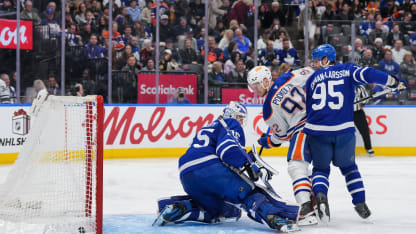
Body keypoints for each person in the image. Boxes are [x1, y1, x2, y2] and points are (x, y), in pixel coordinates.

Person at [153, 102, 299, 232]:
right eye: (240, 117)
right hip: (209, 168)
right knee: (249, 192)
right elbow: (227, 151)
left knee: (215, 211)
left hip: (186, 175)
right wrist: (248, 164)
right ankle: (274, 218)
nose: (241, 122)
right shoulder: (229, 123)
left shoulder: (209, 127)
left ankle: (178, 207)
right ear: (232, 115)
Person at [304, 44, 407, 223]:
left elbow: (311, 108)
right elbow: (369, 74)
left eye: (317, 60)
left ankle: (320, 197)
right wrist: (393, 82)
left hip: (318, 131)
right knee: (350, 169)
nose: (315, 64)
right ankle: (360, 203)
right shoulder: (347, 70)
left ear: (326, 59)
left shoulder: (311, 79)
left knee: (320, 169)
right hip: (343, 130)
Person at [247, 65, 318, 226]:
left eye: (257, 85)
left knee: (296, 166)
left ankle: (307, 211)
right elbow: (313, 73)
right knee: (317, 167)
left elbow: (283, 135)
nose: (256, 90)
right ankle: (317, 198)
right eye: (253, 87)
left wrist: (268, 141)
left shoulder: (268, 109)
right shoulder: (286, 78)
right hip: (320, 120)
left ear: (266, 81)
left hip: (303, 128)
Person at [354, 86, 375, 157]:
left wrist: (362, 103)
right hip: (345, 113)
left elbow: (366, 98)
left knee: (365, 130)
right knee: (344, 132)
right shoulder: (343, 84)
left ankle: (368, 148)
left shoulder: (360, 87)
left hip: (358, 112)